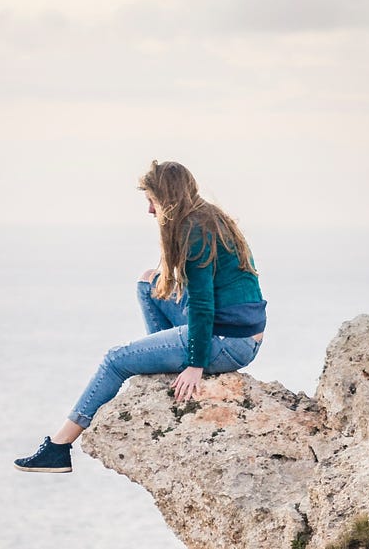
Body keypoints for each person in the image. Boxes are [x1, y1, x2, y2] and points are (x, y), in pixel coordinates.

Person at [13, 160, 267, 473]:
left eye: (153, 201)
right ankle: (159, 366)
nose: (149, 210)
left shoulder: (194, 231)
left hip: (228, 341)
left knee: (115, 359)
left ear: (169, 200)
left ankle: (59, 447)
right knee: (149, 281)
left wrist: (195, 365)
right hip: (236, 333)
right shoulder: (209, 217)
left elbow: (203, 305)